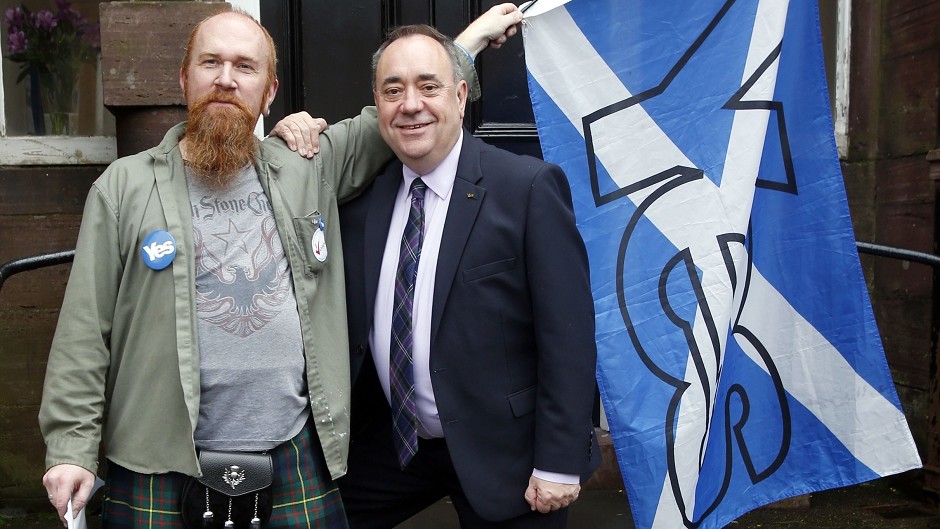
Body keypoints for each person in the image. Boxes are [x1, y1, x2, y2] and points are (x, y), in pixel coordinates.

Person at [37, 7, 522, 528]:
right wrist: (71, 448)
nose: (225, 79)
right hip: (158, 462)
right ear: (184, 78)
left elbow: (396, 115)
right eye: (210, 62)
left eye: (245, 67)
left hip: (292, 455)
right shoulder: (123, 186)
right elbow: (85, 331)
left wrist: (469, 43)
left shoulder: (305, 166)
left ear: (269, 93)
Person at [334, 23, 601, 529]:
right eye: (393, 91)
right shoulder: (362, 201)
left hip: (508, 453)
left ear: (460, 96)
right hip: (393, 447)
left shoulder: (526, 189)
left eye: (428, 86)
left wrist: (559, 461)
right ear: (378, 106)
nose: (410, 104)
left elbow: (568, 336)